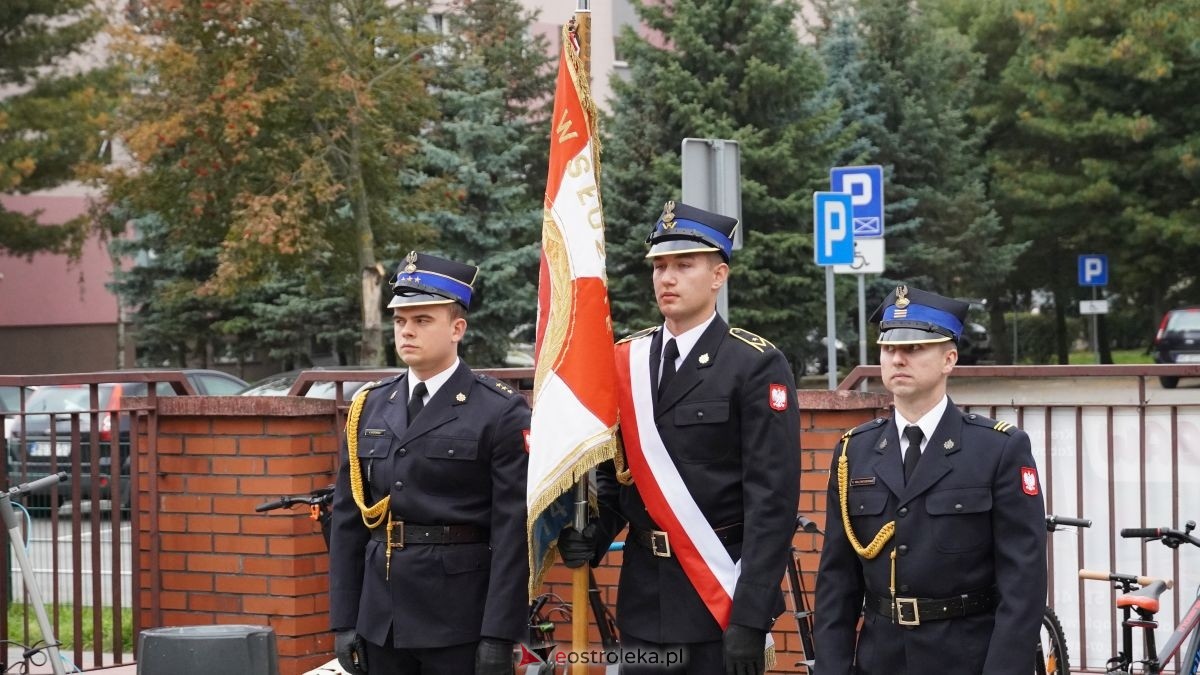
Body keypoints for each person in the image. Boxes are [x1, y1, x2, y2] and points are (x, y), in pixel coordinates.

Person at [560, 201, 801, 675]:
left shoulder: (753, 364)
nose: (666, 278)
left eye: (683, 265)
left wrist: (750, 619)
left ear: (718, 276)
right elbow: (617, 476)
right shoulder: (627, 359)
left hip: (719, 597)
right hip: (645, 597)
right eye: (660, 266)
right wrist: (593, 531)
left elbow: (771, 503)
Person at [813, 285, 1047, 675]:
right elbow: (837, 581)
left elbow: (1023, 584)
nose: (898, 358)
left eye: (915, 349)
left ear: (949, 359)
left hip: (965, 659)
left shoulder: (998, 449)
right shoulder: (855, 451)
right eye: (889, 349)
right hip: (879, 659)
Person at [328, 251, 531, 675]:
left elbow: (513, 532)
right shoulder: (370, 405)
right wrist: (345, 619)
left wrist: (499, 633)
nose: (406, 332)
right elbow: (348, 519)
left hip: (459, 620)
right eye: (400, 321)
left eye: (422, 321)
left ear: (458, 328)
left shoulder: (499, 411)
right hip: (381, 619)